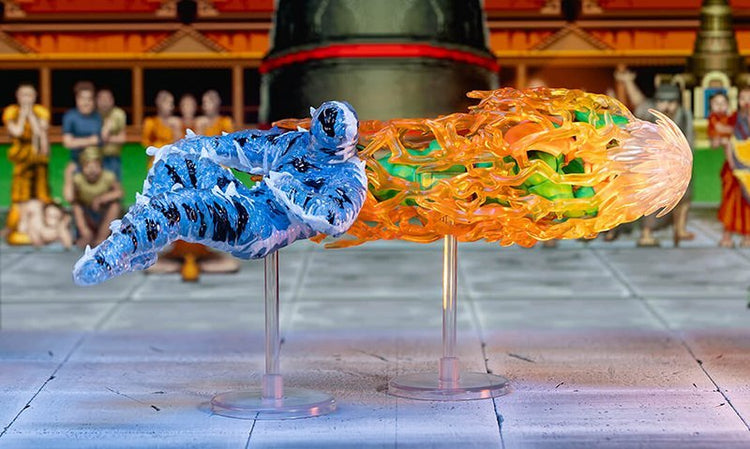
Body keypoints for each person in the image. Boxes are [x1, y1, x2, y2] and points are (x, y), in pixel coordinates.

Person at [615, 68, 695, 247]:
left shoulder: (684, 115)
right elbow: (639, 103)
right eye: (662, 102)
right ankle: (646, 234)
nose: (666, 106)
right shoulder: (652, 114)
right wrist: (628, 81)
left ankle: (680, 228)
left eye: (670, 102)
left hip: (678, 166)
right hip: (653, 167)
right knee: (652, 200)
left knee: (684, 198)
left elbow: (689, 140)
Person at [2, 83, 51, 245]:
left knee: (41, 194)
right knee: (20, 196)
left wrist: (32, 117)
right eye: (23, 95)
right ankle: (18, 228)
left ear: (35, 97)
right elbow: (17, 132)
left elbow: (40, 134)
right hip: (22, 160)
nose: (26, 99)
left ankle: (40, 229)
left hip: (38, 160)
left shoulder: (40, 112)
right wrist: (24, 115)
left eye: (29, 95)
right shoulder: (12, 112)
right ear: (17, 96)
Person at [64, 146, 122, 249]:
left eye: (95, 166)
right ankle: (86, 234)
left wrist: (101, 199)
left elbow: (119, 193)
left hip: (102, 213)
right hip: (86, 213)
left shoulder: (108, 177)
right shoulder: (78, 179)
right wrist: (68, 177)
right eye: (88, 167)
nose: (92, 171)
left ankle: (101, 238)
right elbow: (69, 197)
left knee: (115, 206)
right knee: (76, 207)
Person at [718, 86, 750, 247]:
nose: (746, 102)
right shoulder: (732, 119)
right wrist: (732, 164)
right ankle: (727, 236)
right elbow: (725, 141)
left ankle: (747, 236)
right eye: (743, 98)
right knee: (731, 202)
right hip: (733, 167)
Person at [62, 81, 102, 169]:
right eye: (83, 99)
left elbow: (103, 139)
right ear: (77, 99)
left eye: (89, 99)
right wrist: (90, 141)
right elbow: (68, 143)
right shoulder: (70, 117)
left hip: (98, 164)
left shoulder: (98, 117)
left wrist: (77, 142)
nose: (86, 103)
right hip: (77, 162)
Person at [97, 88, 127, 179]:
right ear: (97, 100)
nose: (104, 103)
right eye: (102, 99)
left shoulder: (119, 114)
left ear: (112, 100)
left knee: (114, 183)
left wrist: (104, 138)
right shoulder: (93, 115)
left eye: (107, 99)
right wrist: (106, 130)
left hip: (113, 157)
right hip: (95, 157)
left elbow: (122, 138)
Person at [142, 90, 182, 156]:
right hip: (156, 158)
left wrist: (176, 128)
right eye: (169, 103)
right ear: (160, 103)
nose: (172, 107)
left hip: (172, 159)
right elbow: (146, 144)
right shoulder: (150, 122)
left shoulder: (176, 122)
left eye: (172, 104)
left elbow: (179, 145)